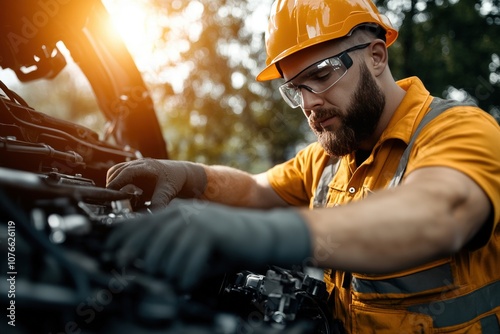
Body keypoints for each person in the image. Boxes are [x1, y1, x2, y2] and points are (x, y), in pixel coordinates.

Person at [105, 0, 500, 332]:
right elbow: (256, 189)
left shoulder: (458, 129)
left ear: (377, 56)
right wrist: (191, 176)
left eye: (321, 75)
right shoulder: (329, 158)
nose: (309, 104)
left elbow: (443, 213)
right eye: (296, 88)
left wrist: (270, 235)